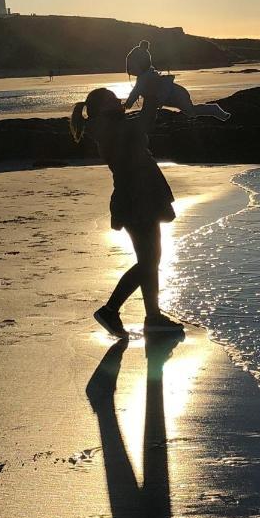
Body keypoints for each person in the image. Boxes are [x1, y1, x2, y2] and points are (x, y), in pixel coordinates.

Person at [70, 87, 185, 339]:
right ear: (101, 107)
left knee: (150, 258)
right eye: (112, 99)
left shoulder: (111, 124)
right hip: (136, 198)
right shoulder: (108, 127)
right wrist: (152, 95)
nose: (118, 101)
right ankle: (112, 310)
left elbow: (142, 124)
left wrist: (150, 96)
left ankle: (152, 317)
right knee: (149, 260)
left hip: (140, 196)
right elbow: (141, 125)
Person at [124, 40, 231, 121]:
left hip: (177, 95)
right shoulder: (147, 76)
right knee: (190, 111)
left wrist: (127, 105)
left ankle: (215, 110)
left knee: (191, 111)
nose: (129, 70)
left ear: (141, 65)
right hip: (174, 94)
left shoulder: (145, 77)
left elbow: (136, 92)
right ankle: (215, 110)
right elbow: (145, 96)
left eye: (131, 67)